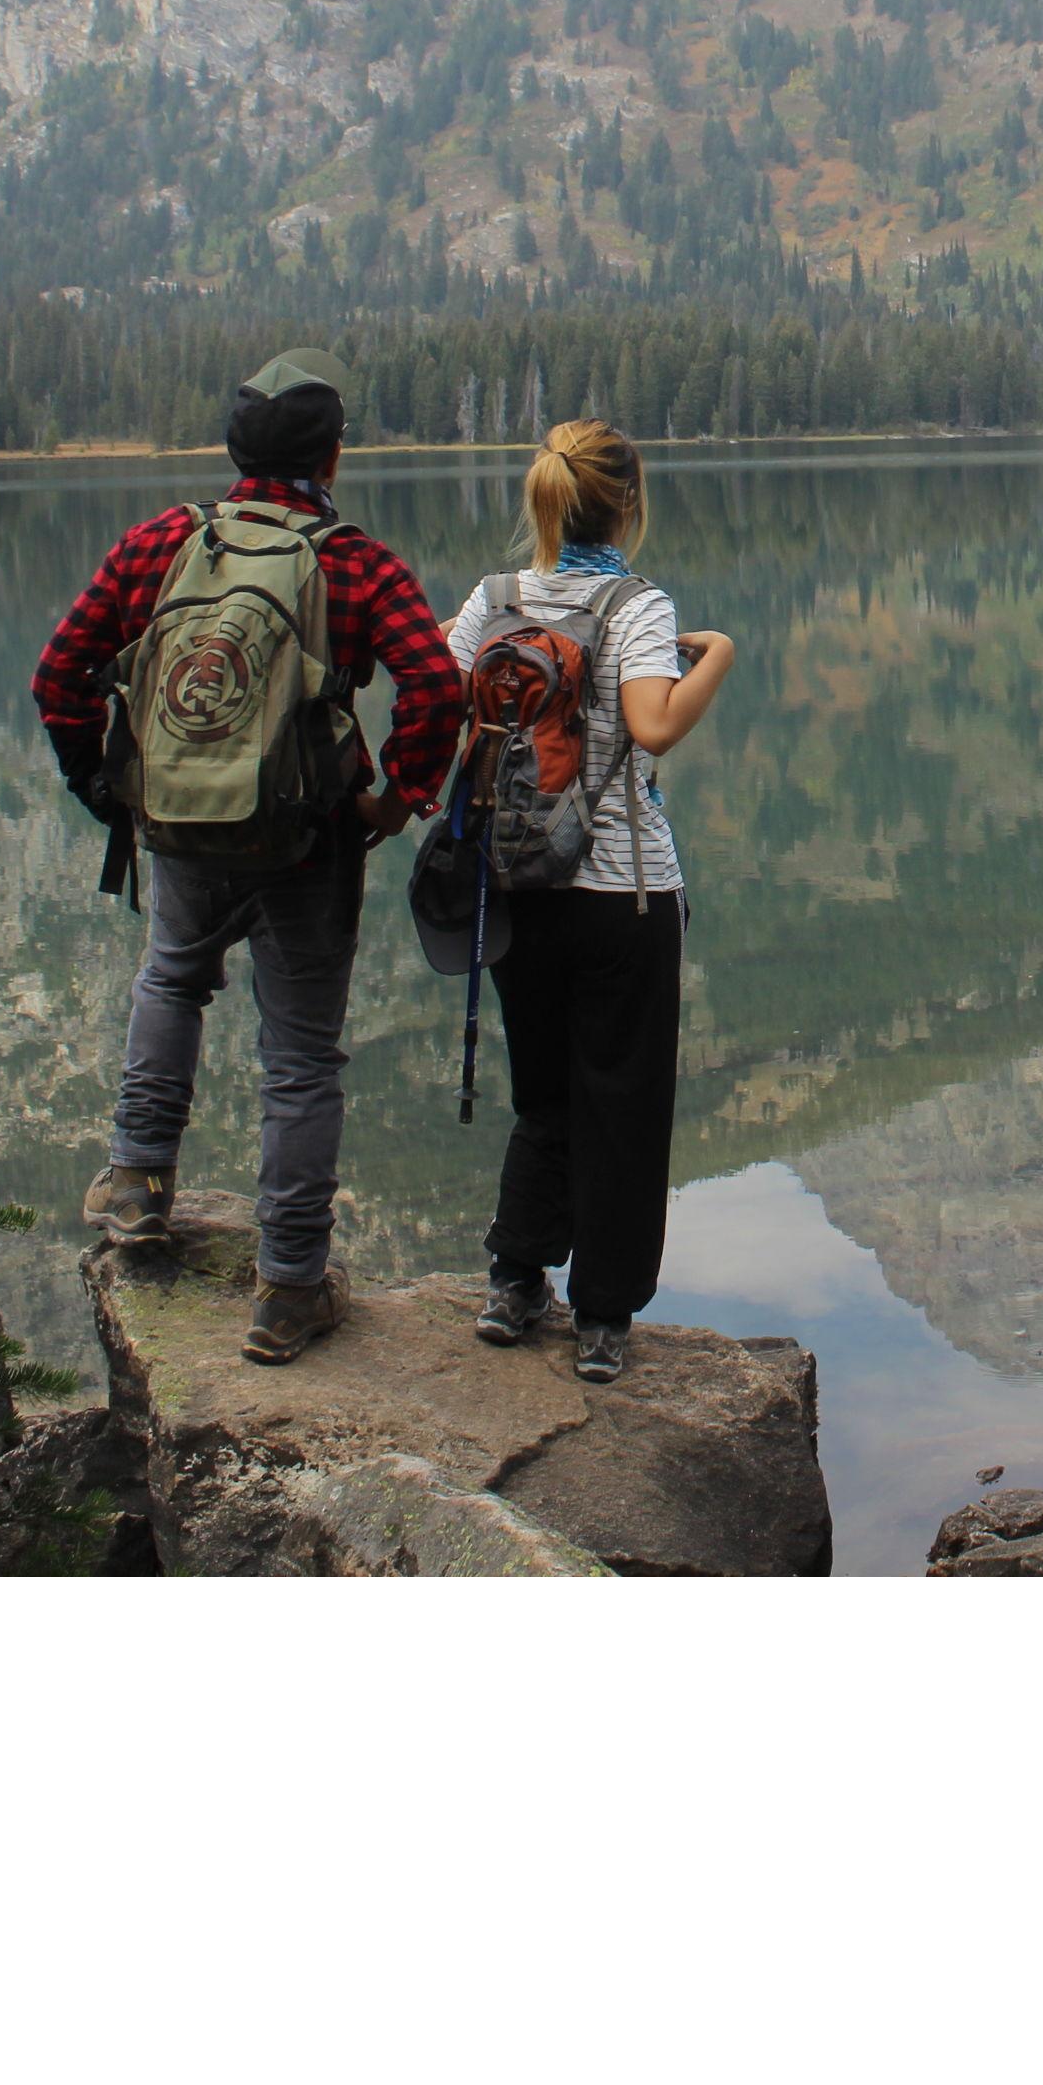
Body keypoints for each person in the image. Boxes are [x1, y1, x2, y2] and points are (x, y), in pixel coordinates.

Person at [30, 349, 464, 1365]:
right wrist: (394, 801)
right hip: (310, 838)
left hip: (178, 826)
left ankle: (137, 1184)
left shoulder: (160, 543)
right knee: (301, 1058)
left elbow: (61, 672)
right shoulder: (354, 560)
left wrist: (107, 786)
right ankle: (289, 1289)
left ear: (234, 451)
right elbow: (435, 690)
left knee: (172, 978)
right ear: (334, 454)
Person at [442, 418, 732, 1382]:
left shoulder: (495, 600)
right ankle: (603, 1320)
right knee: (625, 1099)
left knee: (545, 1094)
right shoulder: (639, 606)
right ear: (628, 504)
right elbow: (652, 730)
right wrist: (718, 659)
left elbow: (437, 702)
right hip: (624, 895)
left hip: (518, 887)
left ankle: (514, 1281)